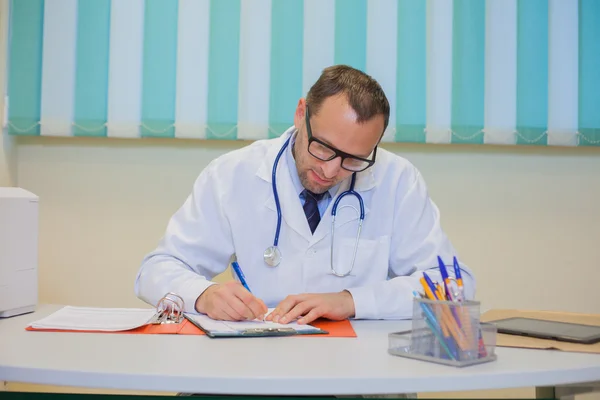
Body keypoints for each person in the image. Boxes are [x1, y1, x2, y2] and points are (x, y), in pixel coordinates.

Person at [134, 65, 475, 324]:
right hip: (256, 364)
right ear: (301, 114)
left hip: (356, 373)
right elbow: (156, 270)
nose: (330, 171)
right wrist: (204, 295)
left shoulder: (398, 181)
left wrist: (352, 300)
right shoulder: (233, 174)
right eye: (323, 148)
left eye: (353, 159)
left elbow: (455, 287)